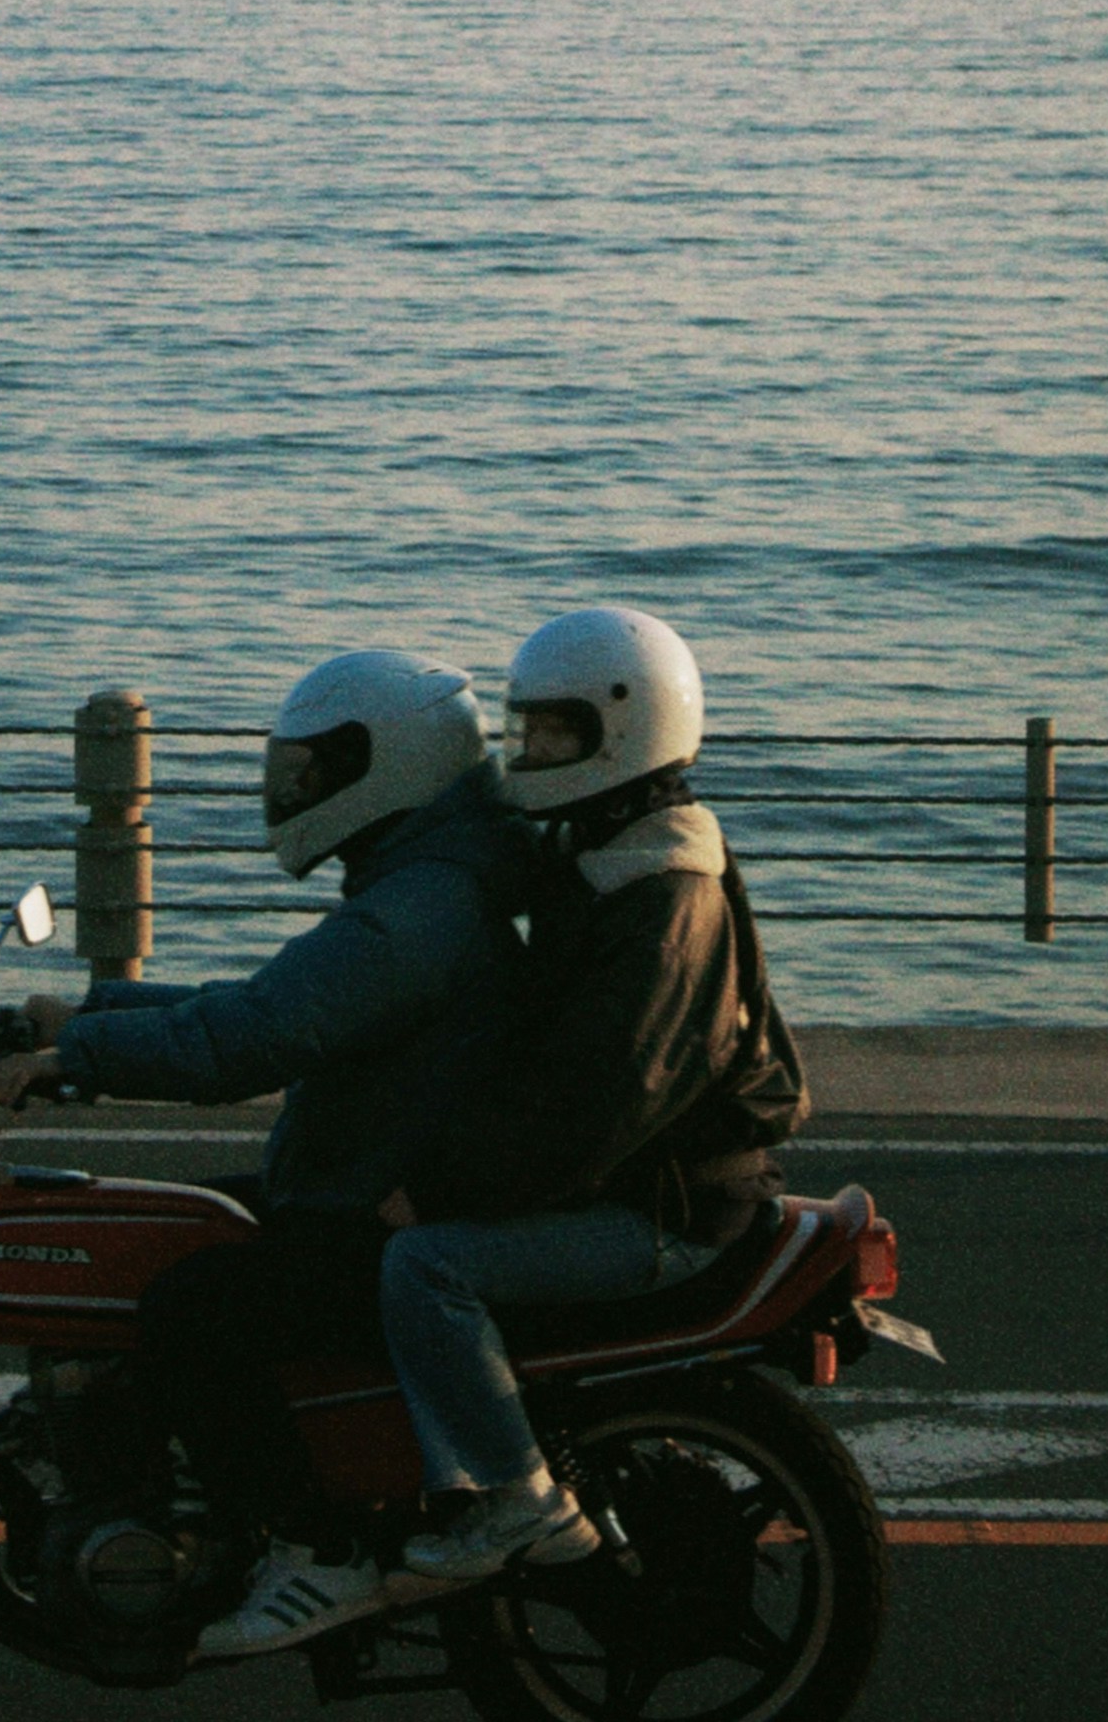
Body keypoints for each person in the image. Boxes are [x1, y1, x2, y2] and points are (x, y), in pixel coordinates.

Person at [0, 646, 535, 1660]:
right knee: (157, 1235)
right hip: (354, 1179)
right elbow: (258, 1006)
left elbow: (244, 1041)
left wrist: (77, 1058)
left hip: (374, 1202)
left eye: (315, 769)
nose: (297, 789)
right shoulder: (423, 879)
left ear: (391, 764)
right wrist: (81, 1010)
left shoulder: (418, 913)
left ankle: (316, 1550)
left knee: (193, 1313)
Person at [373, 605, 807, 1591]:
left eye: (556, 730)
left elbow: (593, 1103)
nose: (534, 749)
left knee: (423, 1266)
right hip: (643, 1175)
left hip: (670, 1206)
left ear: (626, 725)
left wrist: (435, 1186)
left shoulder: (664, 899)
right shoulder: (609, 843)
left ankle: (514, 1495)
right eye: (528, 728)